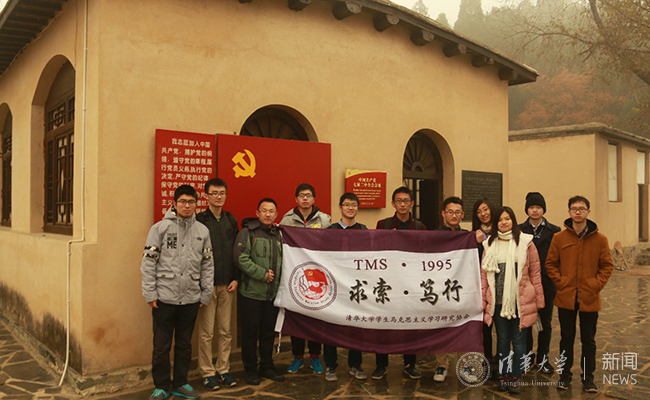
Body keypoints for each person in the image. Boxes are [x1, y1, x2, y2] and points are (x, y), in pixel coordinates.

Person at [141, 184, 214, 400]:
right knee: (161, 347)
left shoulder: (202, 231)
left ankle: (181, 383)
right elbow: (148, 263)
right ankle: (161, 386)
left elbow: (208, 264)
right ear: (174, 203)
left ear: (196, 204)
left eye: (191, 202)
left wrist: (205, 293)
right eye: (183, 201)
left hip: (191, 298)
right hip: (164, 298)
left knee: (184, 345)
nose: (187, 205)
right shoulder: (159, 229)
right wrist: (150, 294)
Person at [545, 196, 613, 393]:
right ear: (569, 212)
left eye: (582, 208)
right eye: (574, 208)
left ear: (588, 212)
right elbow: (550, 263)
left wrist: (595, 285)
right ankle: (564, 376)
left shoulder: (600, 239)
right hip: (566, 297)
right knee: (566, 339)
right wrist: (561, 282)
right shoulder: (559, 238)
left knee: (588, 341)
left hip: (589, 297)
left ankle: (588, 378)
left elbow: (607, 266)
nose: (577, 211)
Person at [481, 206, 544, 394]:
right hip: (498, 302)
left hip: (519, 301)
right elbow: (484, 276)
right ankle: (504, 375)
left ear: (513, 221)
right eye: (500, 219)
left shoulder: (526, 243)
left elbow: (535, 273)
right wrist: (483, 300)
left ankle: (516, 376)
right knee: (502, 340)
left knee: (518, 341)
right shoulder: (489, 244)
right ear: (495, 223)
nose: (504, 222)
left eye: (507, 218)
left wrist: (539, 300)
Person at [373, 186, 424, 380]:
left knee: (410, 325)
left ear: (412, 203)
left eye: (406, 201)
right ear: (393, 204)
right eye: (399, 201)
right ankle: (381, 364)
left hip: (410, 283)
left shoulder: (420, 227)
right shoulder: (383, 224)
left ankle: (410, 363)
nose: (402, 204)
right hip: (387, 281)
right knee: (383, 323)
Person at [280, 183, 331, 375]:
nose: (305, 199)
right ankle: (298, 357)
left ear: (314, 199)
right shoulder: (287, 220)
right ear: (296, 199)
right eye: (301, 195)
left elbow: (331, 246)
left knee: (316, 318)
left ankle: (315, 356)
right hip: (296, 276)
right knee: (297, 317)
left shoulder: (324, 220)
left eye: (309, 195)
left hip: (318, 276)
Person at [234, 198, 285, 385]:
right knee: (249, 334)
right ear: (257, 213)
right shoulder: (247, 233)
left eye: (271, 211)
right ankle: (250, 369)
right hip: (251, 294)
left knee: (268, 333)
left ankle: (267, 366)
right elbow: (240, 259)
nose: (268, 214)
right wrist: (262, 274)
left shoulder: (279, 235)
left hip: (272, 295)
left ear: (276, 214)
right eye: (264, 211)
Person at [195, 178, 239, 390]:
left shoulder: (231, 220)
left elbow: (237, 252)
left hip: (228, 284)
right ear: (206, 196)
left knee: (225, 331)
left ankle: (223, 369)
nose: (218, 196)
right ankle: (207, 372)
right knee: (206, 333)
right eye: (214, 193)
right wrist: (200, 283)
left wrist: (236, 278)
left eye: (222, 193)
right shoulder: (199, 221)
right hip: (207, 285)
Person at [434, 197, 481, 383]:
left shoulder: (468, 237)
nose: (453, 216)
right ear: (443, 214)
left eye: (457, 212)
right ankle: (441, 365)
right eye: (450, 212)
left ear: (462, 215)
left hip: (463, 289)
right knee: (441, 327)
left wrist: (480, 240)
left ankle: (466, 366)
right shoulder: (435, 237)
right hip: (440, 289)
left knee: (464, 327)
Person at [323, 193, 368, 382]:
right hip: (334, 285)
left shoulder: (363, 230)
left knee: (355, 325)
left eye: (354, 205)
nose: (351, 208)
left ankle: (355, 365)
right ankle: (330, 365)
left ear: (358, 208)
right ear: (340, 207)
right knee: (330, 326)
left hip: (356, 285)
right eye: (347, 204)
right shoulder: (330, 230)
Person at [518, 192, 561, 374]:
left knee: (546, 323)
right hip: (526, 284)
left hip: (547, 284)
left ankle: (543, 358)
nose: (535, 210)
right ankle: (527, 357)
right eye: (531, 207)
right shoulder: (519, 230)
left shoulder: (555, 231)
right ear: (527, 209)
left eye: (538, 207)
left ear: (543, 209)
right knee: (526, 323)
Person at [471, 198, 497, 369]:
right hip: (483, 284)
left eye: (485, 209)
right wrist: (478, 243)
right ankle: (487, 358)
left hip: (500, 283)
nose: (483, 214)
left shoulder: (501, 230)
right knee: (486, 325)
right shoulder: (475, 234)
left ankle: (500, 360)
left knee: (502, 327)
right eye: (479, 212)